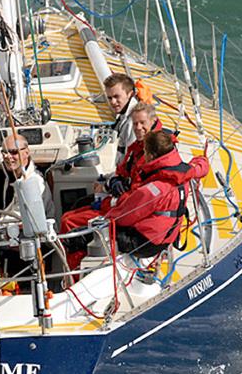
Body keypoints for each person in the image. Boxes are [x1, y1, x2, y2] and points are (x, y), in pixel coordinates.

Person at [65, 130, 209, 270]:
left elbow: (124, 217)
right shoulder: (184, 173)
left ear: (151, 156)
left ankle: (74, 277)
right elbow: (202, 164)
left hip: (143, 241)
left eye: (145, 153)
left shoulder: (154, 189)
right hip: (162, 237)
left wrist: (103, 215)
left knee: (81, 235)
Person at [59, 102, 162, 240]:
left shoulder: (156, 150)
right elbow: (123, 171)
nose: (138, 128)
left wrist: (110, 194)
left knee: (69, 222)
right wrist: (113, 181)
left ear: (153, 121)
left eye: (142, 123)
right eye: (135, 123)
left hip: (129, 210)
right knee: (70, 213)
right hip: (121, 201)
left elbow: (140, 193)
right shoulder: (137, 147)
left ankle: (72, 260)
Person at [104, 73, 138, 166]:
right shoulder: (123, 114)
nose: (113, 102)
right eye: (109, 98)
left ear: (130, 94)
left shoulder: (133, 122)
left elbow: (130, 160)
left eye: (116, 96)